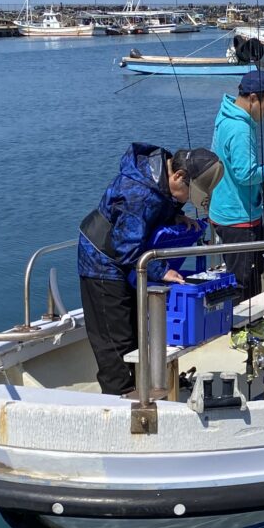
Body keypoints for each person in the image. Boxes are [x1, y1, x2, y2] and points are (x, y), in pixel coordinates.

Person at [78, 143, 224, 395]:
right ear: (178, 175)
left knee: (139, 331)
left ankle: (142, 388)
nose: (189, 199)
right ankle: (121, 399)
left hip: (128, 263)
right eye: (189, 193)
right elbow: (126, 245)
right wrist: (160, 270)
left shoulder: (162, 179)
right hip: (102, 264)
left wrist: (175, 217)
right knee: (117, 343)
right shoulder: (138, 192)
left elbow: (159, 207)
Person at [210, 70, 264, 300]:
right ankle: (241, 330)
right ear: (253, 98)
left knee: (244, 274)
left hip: (223, 211)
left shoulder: (226, 115)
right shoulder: (241, 128)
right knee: (243, 280)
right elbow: (245, 174)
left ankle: (247, 325)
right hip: (238, 218)